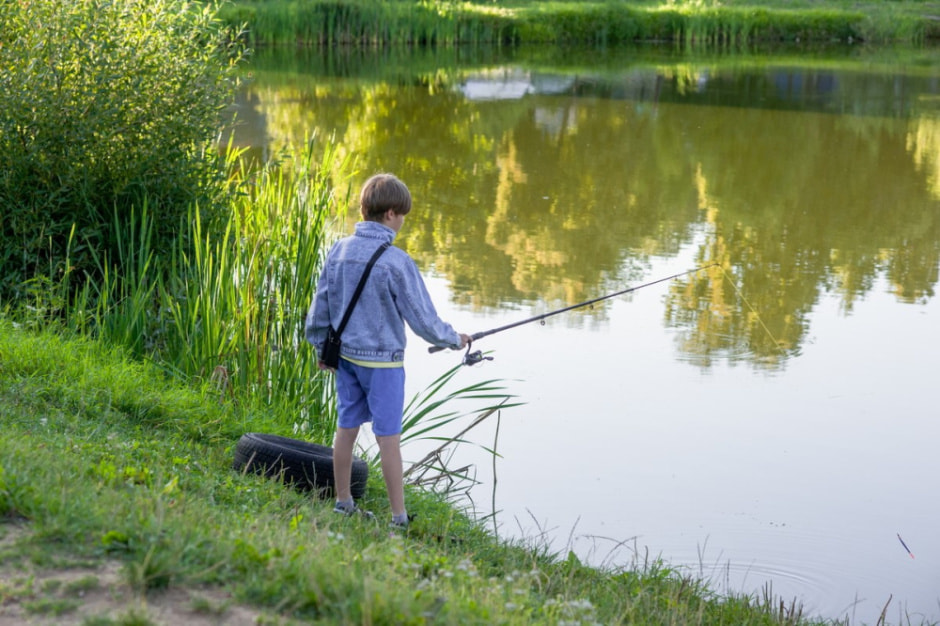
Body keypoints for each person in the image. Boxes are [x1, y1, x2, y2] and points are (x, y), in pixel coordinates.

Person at [305, 173, 470, 529]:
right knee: (388, 438)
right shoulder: (397, 261)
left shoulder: (339, 249)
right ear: (392, 213)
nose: (403, 223)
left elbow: (321, 306)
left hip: (346, 359)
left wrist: (322, 347)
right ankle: (398, 517)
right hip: (383, 366)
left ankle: (343, 502)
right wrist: (454, 339)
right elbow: (422, 318)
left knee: (345, 428)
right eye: (403, 216)